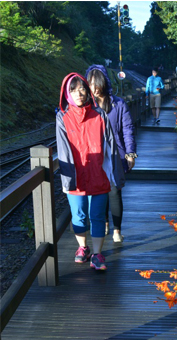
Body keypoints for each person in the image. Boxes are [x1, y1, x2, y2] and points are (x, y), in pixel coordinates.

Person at [56, 72, 124, 271]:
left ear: (87, 91)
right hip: (76, 175)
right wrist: (67, 180)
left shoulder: (100, 115)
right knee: (78, 216)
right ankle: (82, 247)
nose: (79, 94)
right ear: (67, 94)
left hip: (98, 174)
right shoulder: (62, 118)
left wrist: (114, 174)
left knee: (97, 216)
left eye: (82, 89)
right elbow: (62, 149)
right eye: (74, 90)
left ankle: (97, 253)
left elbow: (111, 146)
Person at [85, 64, 137, 243]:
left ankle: (117, 230)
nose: (94, 88)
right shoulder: (86, 106)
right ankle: (105, 222)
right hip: (94, 155)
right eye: (90, 84)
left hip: (116, 155)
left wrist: (130, 153)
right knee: (100, 191)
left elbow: (128, 129)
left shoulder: (118, 103)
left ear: (105, 82)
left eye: (97, 83)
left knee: (114, 191)